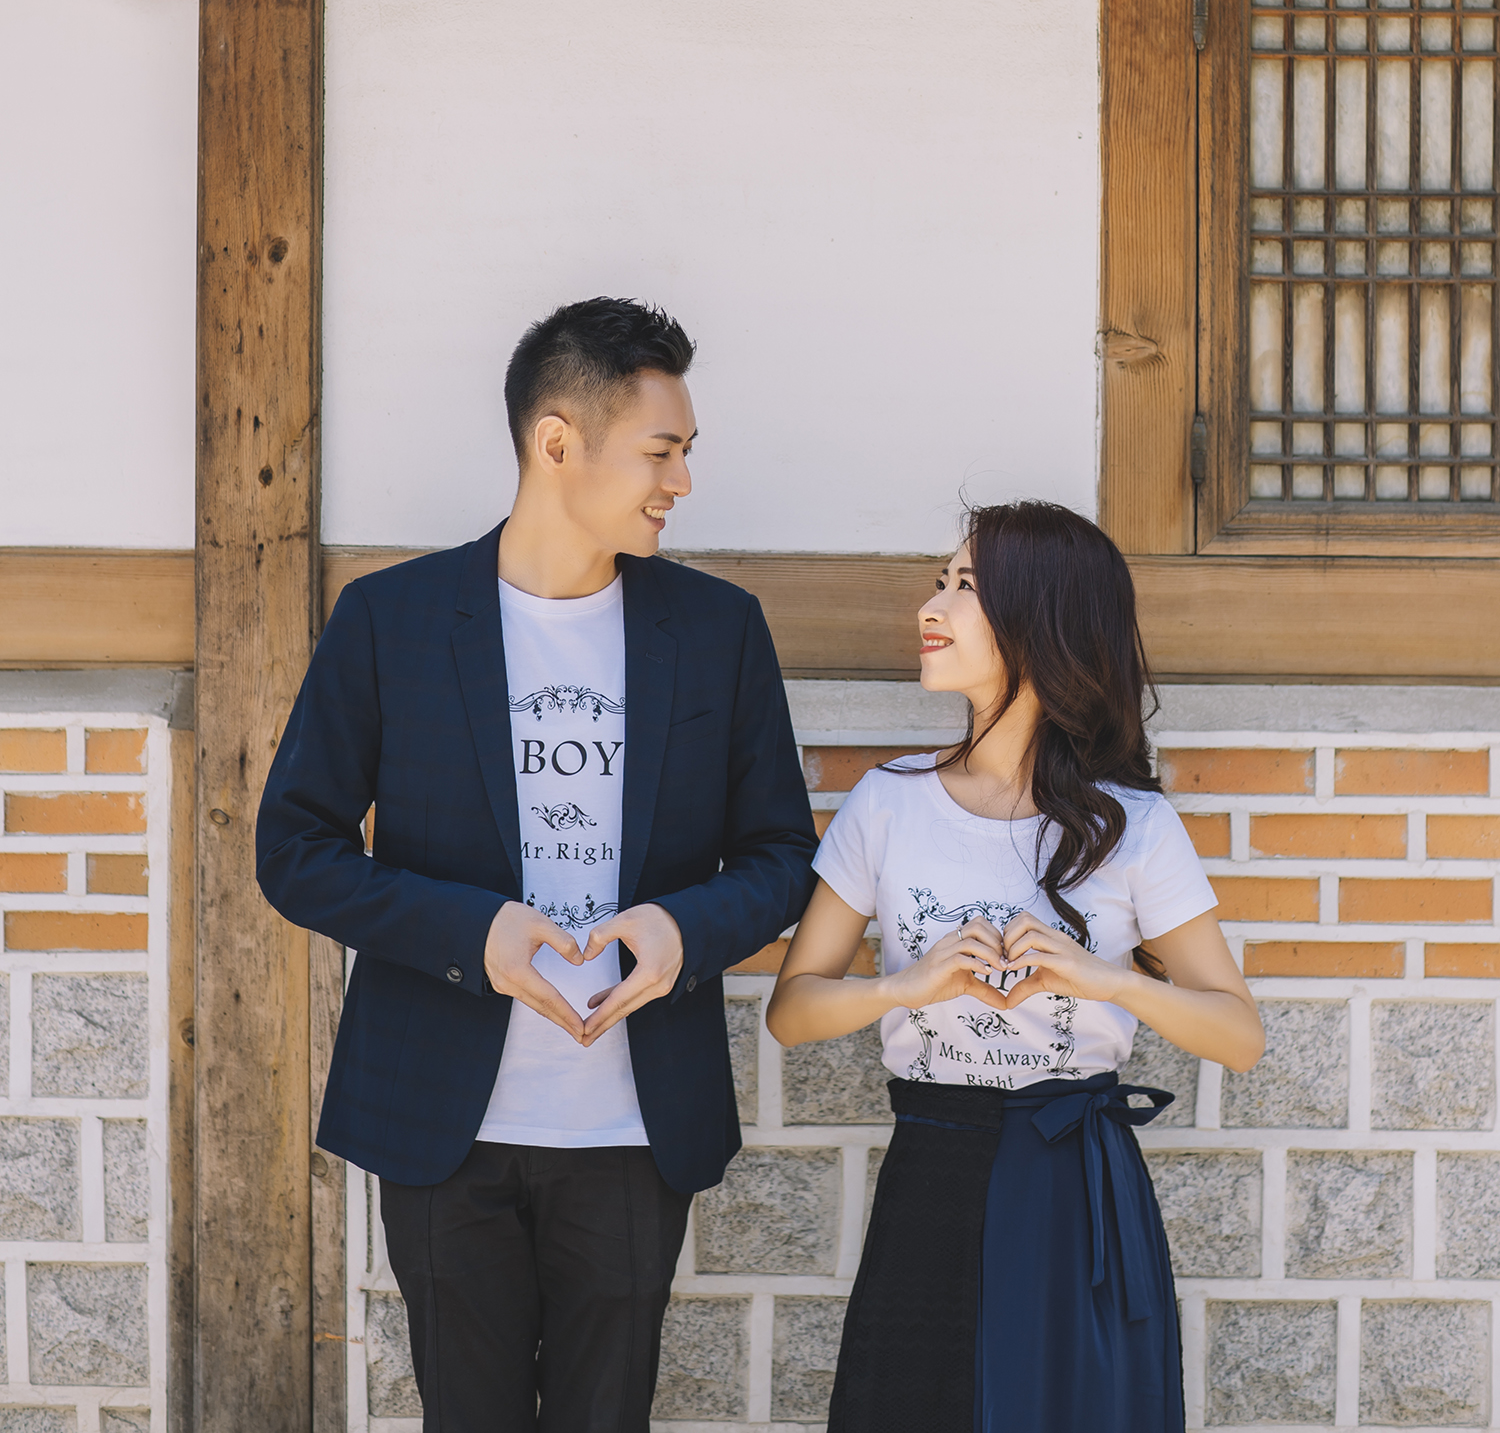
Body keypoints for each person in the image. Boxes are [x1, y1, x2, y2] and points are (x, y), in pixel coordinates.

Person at [257, 296, 818, 1433]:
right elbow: (296, 851)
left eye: (686, 452)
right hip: (438, 1116)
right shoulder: (392, 620)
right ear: (557, 441)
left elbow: (781, 855)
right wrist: (473, 933)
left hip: (633, 1123)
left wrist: (684, 929)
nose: (682, 481)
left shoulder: (718, 630)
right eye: (661, 451)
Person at [766, 499, 1263, 1433]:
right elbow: (791, 1012)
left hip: (1076, 1184)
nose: (931, 606)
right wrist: (904, 986)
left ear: (1042, 619)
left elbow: (1239, 1035)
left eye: (966, 586)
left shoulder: (1133, 824)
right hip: (931, 1167)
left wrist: (1107, 979)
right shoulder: (889, 802)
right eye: (940, 581)